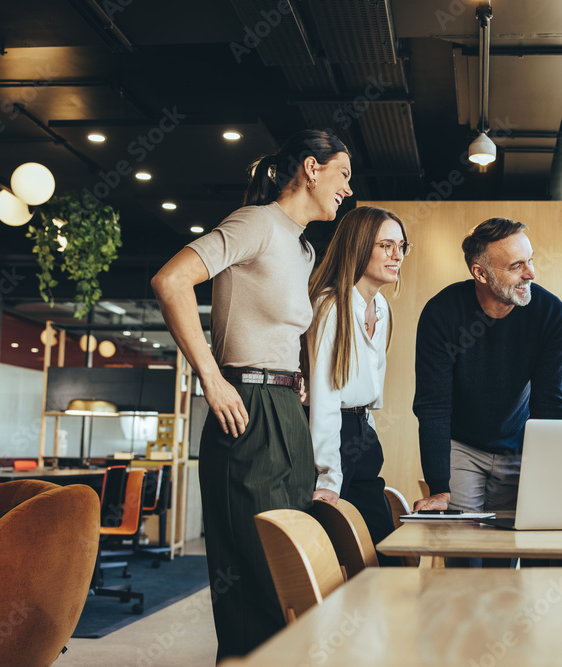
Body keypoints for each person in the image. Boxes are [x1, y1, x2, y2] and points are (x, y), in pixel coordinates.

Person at [150, 130, 352, 659]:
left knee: (292, 576)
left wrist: (292, 375)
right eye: (343, 175)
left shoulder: (304, 247)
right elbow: (171, 281)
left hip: (286, 411)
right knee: (256, 582)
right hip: (246, 409)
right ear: (312, 168)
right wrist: (211, 378)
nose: (347, 190)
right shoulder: (255, 222)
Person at [412, 218, 562, 523]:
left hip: (520, 445)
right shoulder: (441, 313)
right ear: (480, 273)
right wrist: (439, 487)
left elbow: (548, 403)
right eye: (516, 266)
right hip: (461, 446)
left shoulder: (550, 314)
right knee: (462, 547)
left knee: (507, 551)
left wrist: (550, 476)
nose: (531, 274)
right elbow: (433, 405)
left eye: (531, 260)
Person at [305, 206, 410, 564]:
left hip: (362, 432)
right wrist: (329, 476)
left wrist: (369, 433)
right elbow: (324, 397)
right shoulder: (330, 305)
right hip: (332, 436)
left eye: (401, 245)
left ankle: (381, 619)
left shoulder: (380, 307)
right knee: (333, 556)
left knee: (383, 553)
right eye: (386, 245)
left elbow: (370, 388)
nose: (397, 255)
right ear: (359, 246)